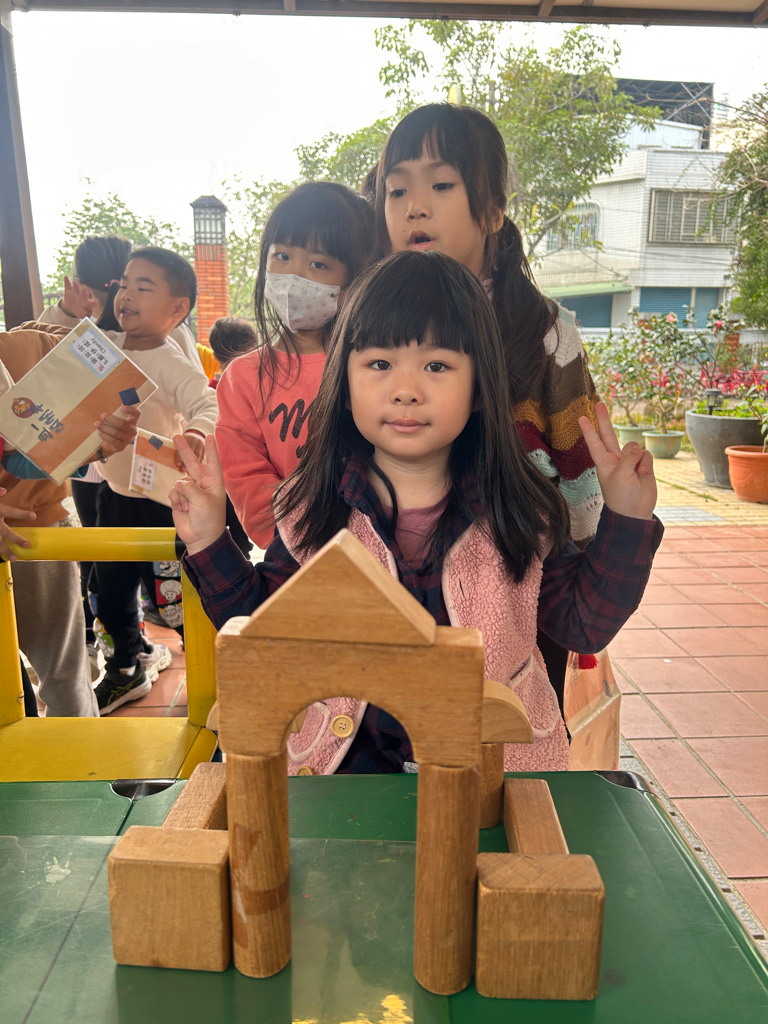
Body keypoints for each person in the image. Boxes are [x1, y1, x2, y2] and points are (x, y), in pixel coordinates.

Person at [171, 252, 662, 775]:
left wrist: (627, 520)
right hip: (341, 781)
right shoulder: (309, 509)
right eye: (380, 364)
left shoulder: (522, 508)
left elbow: (584, 626)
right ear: (344, 385)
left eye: (437, 366)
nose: (406, 391)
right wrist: (208, 540)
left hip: (491, 778)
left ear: (479, 388)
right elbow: (261, 635)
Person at [374, 103, 606, 711]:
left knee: (515, 732)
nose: (414, 206)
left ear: (494, 211)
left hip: (522, 584)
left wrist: (579, 579)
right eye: (397, 190)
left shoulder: (544, 329)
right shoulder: (367, 319)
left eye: (441, 185)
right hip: (399, 577)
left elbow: (580, 467)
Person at [61, 246, 217, 715]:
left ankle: (213, 672)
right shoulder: (104, 345)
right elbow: (55, 350)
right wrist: (69, 313)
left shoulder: (172, 363)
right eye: (124, 285)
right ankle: (125, 667)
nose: (126, 295)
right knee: (106, 593)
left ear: (177, 309)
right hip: (112, 498)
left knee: (173, 600)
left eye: (143, 288)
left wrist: (196, 433)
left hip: (162, 504)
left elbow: (207, 404)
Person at [215, 182, 375, 550]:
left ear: (354, 279)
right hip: (293, 557)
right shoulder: (242, 379)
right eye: (282, 256)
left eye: (317, 263)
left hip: (382, 552)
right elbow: (247, 481)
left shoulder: (373, 364)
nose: (294, 276)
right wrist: (302, 547)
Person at [0, 327, 140, 717]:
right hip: (33, 528)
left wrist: (98, 442)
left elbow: (24, 456)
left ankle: (86, 760)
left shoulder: (25, 348)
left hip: (34, 532)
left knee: (63, 675)